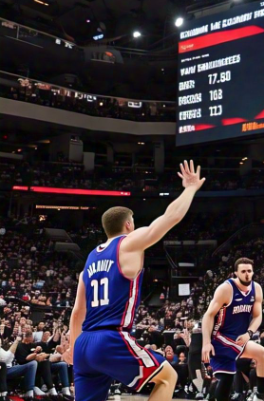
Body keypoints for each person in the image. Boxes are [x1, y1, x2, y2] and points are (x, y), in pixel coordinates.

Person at [63, 160, 205, 401]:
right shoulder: (128, 243)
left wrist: (74, 347)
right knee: (168, 377)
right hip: (110, 338)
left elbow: (78, 311)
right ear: (128, 224)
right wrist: (190, 188)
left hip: (85, 343)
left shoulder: (89, 258)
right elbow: (169, 218)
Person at [202, 258, 264, 401]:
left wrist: (249, 333)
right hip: (220, 337)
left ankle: (260, 396)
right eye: (243, 271)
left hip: (239, 338)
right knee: (225, 376)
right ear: (236, 273)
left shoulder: (256, 289)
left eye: (249, 271)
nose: (247, 274)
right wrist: (206, 342)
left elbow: (258, 317)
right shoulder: (226, 289)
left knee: (262, 355)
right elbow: (208, 315)